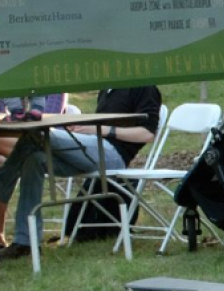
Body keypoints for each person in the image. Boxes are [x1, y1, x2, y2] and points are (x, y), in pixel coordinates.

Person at [0, 86, 161, 259]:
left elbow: (147, 134)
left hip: (113, 156)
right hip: (90, 152)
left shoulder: (145, 87)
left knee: (36, 135)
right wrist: (82, 128)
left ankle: (2, 188)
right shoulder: (107, 89)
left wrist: (102, 130)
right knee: (34, 160)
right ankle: (26, 242)